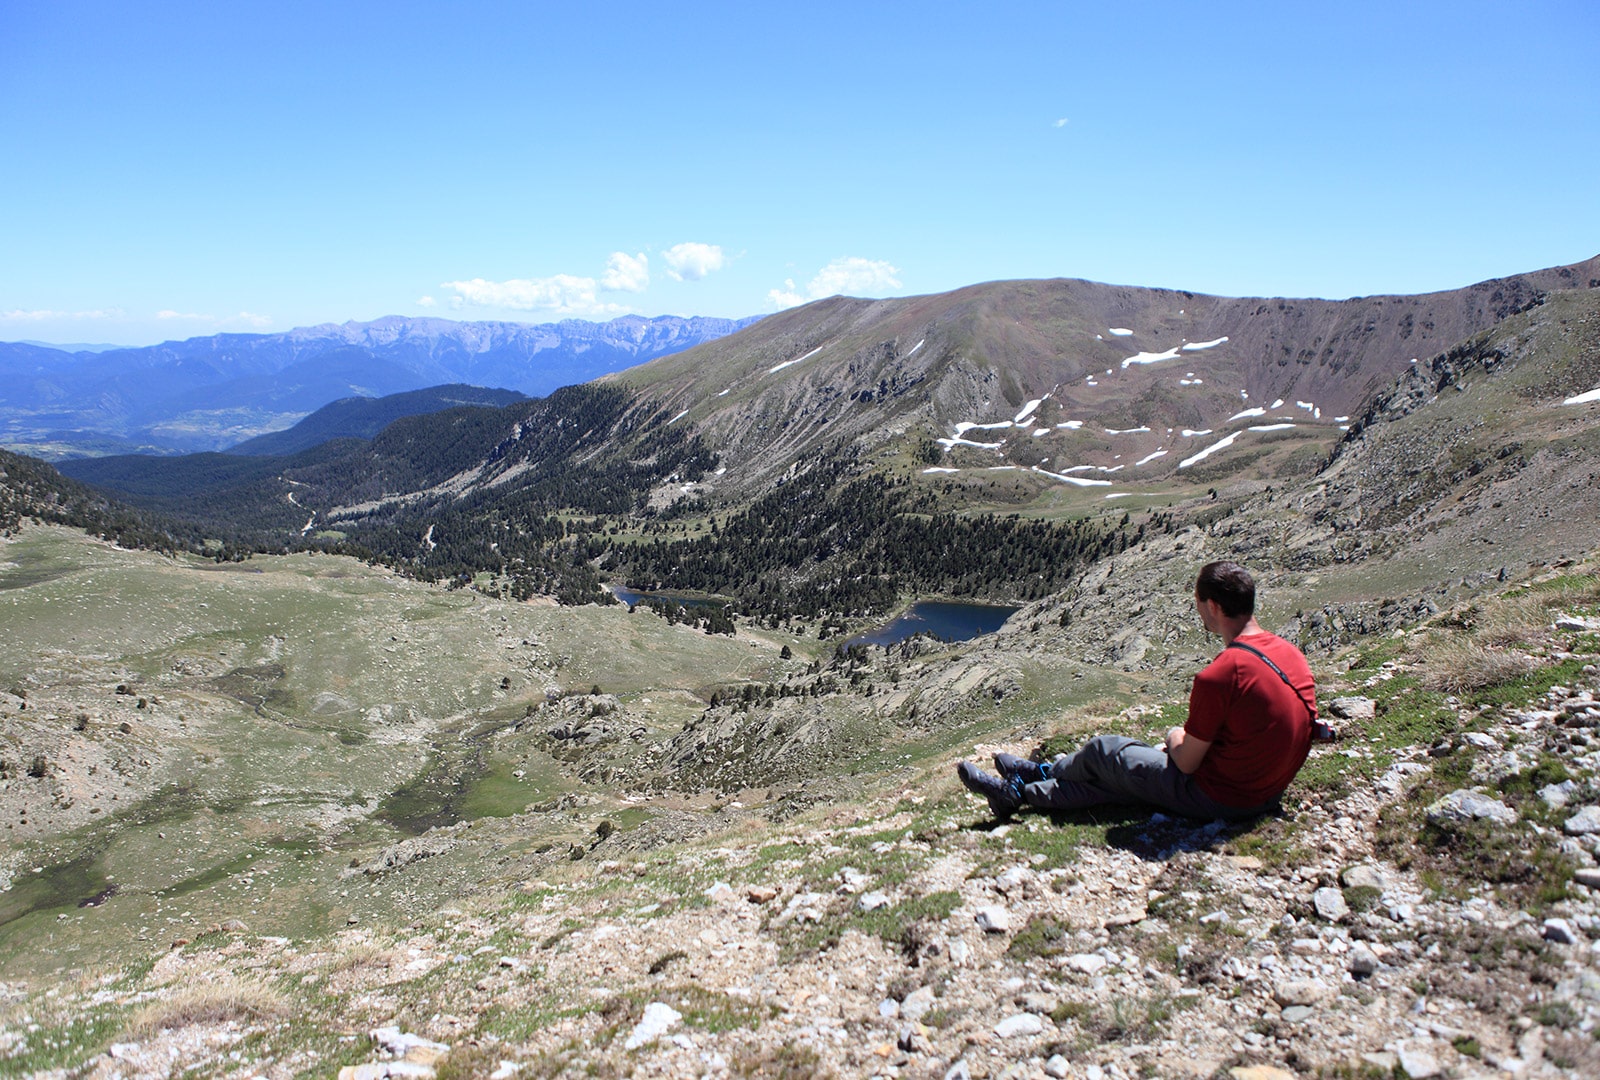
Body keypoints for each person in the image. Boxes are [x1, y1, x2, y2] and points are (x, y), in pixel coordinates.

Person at [957, 561, 1320, 821]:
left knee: (1105, 750)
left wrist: (1173, 734)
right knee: (1118, 778)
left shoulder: (1222, 674)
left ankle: (1035, 776)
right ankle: (1021, 789)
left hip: (1221, 796)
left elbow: (1187, 760)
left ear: (1212, 605)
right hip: (1266, 792)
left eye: (1197, 603)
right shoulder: (1291, 656)